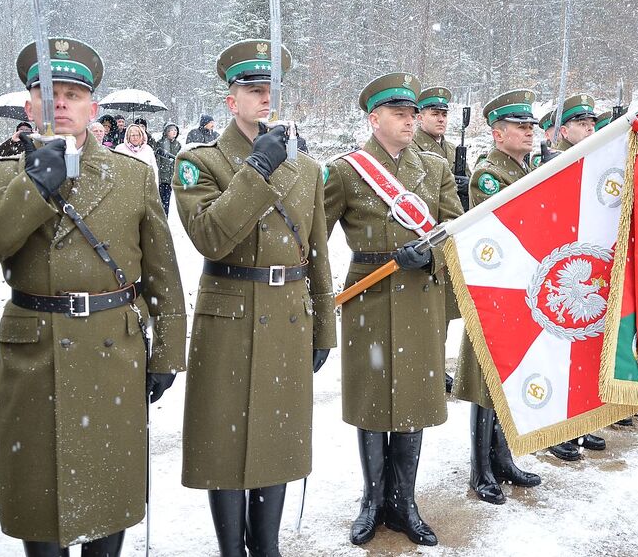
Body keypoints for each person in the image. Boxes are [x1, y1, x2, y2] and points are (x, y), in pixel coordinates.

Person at [0, 37, 186, 557]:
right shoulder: (0, 174)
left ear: (92, 108)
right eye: (47, 92)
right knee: (39, 500)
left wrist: (167, 352)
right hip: (34, 358)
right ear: (29, 104)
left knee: (108, 499)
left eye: (73, 93)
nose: (60, 102)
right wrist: (33, 186)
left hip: (112, 354)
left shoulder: (133, 175)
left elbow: (163, 276)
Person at [175, 39, 336, 557]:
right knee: (224, 436)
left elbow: (316, 254)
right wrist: (257, 170)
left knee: (277, 435)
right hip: (227, 311)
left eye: (272, 90)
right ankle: (231, 549)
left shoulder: (308, 170)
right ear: (231, 99)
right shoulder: (198, 161)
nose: (264, 97)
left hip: (288, 313)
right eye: (253, 89)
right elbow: (210, 236)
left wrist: (324, 327)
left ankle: (266, 547)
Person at [324, 72, 462, 547]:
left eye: (411, 114)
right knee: (371, 400)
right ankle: (372, 499)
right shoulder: (346, 171)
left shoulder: (434, 168)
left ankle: (405, 502)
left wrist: (432, 254)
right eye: (399, 115)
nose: (409, 122)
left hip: (421, 296)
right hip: (369, 292)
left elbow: (453, 228)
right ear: (374, 118)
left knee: (413, 402)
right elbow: (314, 241)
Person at [452, 90, 542, 505]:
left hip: (525, 289)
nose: (528, 133)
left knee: (509, 378)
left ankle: (503, 458)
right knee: (488, 383)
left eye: (531, 127)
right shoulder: (488, 175)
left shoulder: (532, 170)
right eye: (520, 127)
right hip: (497, 290)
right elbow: (507, 227)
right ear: (498, 134)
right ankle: (480, 469)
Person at [545, 94, 607, 460]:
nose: (590, 130)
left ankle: (580, 422)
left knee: (583, 350)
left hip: (588, 266)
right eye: (582, 125)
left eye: (592, 124)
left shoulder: (597, 163)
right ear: (563, 130)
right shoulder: (552, 163)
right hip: (561, 272)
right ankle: (557, 426)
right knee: (557, 350)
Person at [410, 85, 463, 392]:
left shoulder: (454, 151)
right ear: (420, 118)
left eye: (444, 114)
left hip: (448, 237)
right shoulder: (413, 149)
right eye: (434, 114)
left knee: (440, 312)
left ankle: (435, 363)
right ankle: (425, 365)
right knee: (425, 313)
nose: (441, 119)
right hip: (426, 236)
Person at [156, 123, 181, 215]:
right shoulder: (160, 143)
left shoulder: (178, 145)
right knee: (161, 201)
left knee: (167, 202)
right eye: (171, 130)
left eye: (175, 130)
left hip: (172, 177)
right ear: (166, 132)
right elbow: (157, 161)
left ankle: (165, 219)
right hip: (162, 177)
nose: (174, 132)